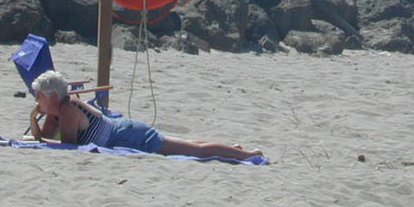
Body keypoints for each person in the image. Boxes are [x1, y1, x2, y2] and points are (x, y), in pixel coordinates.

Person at [25, 70, 263, 161]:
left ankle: (247, 154)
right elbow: (42, 140)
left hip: (128, 136)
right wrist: (32, 120)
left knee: (195, 151)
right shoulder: (56, 112)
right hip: (122, 132)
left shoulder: (67, 109)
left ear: (53, 96)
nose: (37, 100)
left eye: (39, 96)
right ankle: (235, 148)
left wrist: (37, 136)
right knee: (187, 145)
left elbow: (67, 146)